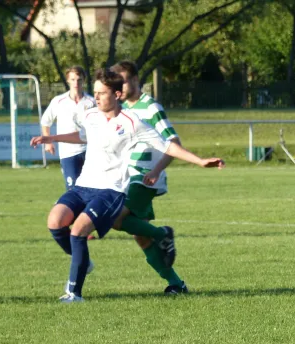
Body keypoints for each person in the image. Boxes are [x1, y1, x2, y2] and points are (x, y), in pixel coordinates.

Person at [30, 68, 224, 303]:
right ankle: (86, 262)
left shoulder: (134, 122)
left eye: (102, 93)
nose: (97, 97)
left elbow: (169, 146)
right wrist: (50, 138)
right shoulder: (91, 116)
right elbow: (82, 137)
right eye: (95, 92)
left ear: (117, 94)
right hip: (84, 186)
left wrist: (200, 161)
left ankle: (74, 293)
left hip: (112, 189)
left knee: (79, 230)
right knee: (55, 221)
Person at [110, 60, 188, 294]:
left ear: (135, 80)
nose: (120, 86)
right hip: (127, 177)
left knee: (115, 219)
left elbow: (174, 143)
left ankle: (162, 233)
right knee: (140, 236)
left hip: (144, 177)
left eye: (122, 80)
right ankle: (177, 284)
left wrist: (156, 171)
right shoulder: (120, 109)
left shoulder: (151, 107)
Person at [41, 66, 96, 190]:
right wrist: (48, 142)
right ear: (68, 81)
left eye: (79, 80)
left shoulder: (92, 102)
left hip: (89, 150)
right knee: (72, 188)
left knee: (91, 187)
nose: (76, 83)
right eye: (73, 79)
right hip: (68, 152)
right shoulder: (58, 101)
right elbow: (45, 121)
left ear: (84, 80)